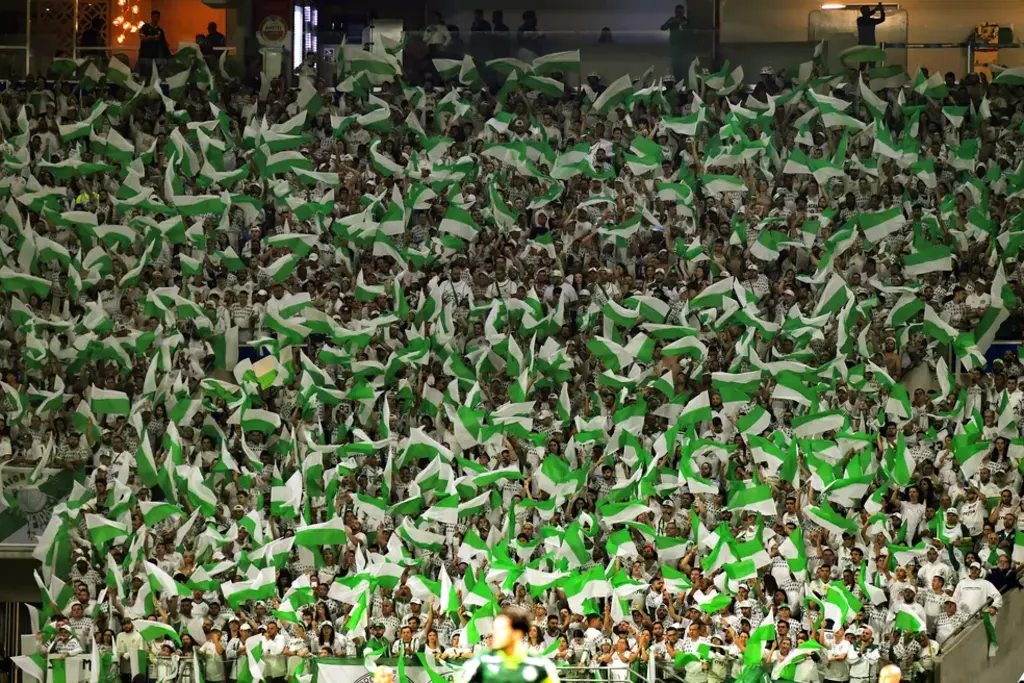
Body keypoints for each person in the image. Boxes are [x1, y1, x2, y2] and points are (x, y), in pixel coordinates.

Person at [461, 607, 559, 683]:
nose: (495, 634)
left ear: (517, 634)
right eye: (495, 629)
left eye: (501, 630)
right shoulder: (479, 663)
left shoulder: (541, 666)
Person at [660, 4, 689, 81]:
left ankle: (684, 82)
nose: (679, 14)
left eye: (681, 12)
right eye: (677, 12)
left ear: (683, 12)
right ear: (675, 12)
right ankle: (677, 81)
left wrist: (682, 24)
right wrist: (670, 22)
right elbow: (663, 28)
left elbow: (691, 31)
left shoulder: (686, 21)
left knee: (684, 66)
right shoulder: (672, 20)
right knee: (675, 66)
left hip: (684, 48)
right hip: (674, 47)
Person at [139, 10, 170, 77]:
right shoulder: (145, 27)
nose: (156, 19)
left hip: (156, 58)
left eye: (157, 17)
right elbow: (142, 38)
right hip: (145, 56)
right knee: (145, 75)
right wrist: (153, 37)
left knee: (155, 75)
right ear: (151, 17)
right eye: (154, 17)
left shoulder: (160, 31)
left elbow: (164, 43)